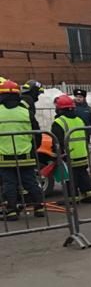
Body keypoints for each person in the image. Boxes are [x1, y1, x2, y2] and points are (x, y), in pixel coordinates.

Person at [0, 79, 45, 219]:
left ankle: (12, 211)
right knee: (30, 181)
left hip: (5, 156)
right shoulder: (25, 112)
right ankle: (39, 208)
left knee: (9, 184)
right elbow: (37, 133)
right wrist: (33, 149)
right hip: (26, 154)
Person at [51, 94, 91, 204]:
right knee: (83, 174)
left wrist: (57, 153)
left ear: (60, 109)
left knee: (69, 177)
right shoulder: (79, 120)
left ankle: (72, 198)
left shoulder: (59, 122)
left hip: (69, 155)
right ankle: (90, 195)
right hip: (82, 153)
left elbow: (57, 140)